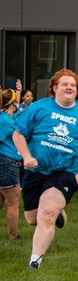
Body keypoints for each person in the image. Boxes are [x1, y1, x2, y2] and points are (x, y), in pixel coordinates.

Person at [13, 69, 78, 269]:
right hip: (36, 170)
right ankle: (57, 214)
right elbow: (18, 134)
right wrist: (26, 156)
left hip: (65, 173)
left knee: (46, 214)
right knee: (31, 219)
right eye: (65, 84)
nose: (70, 87)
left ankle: (34, 262)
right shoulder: (39, 108)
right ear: (55, 88)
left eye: (73, 85)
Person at [1, 88, 22, 240]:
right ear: (12, 103)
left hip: (5, 161)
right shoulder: (4, 120)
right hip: (6, 162)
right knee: (13, 202)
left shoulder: (7, 118)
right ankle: (13, 236)